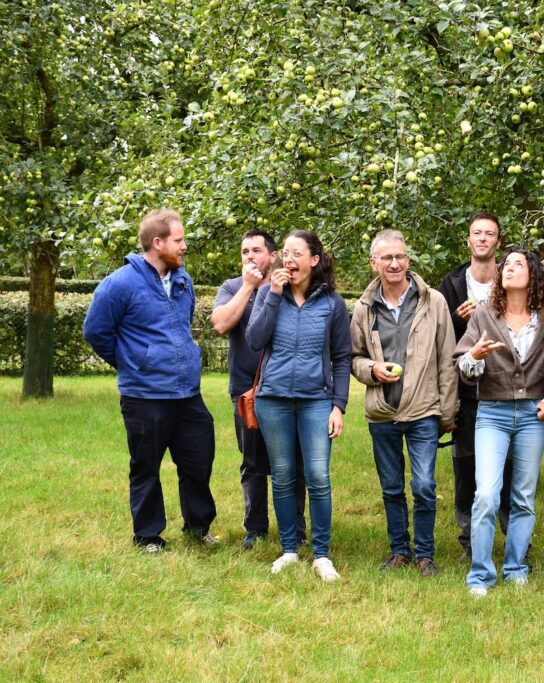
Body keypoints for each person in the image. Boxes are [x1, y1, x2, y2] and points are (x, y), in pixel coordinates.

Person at [83, 208, 217, 552]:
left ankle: (198, 527)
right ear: (157, 243)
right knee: (146, 467)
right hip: (145, 396)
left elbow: (181, 325)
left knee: (198, 461)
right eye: (179, 239)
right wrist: (134, 362)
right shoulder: (120, 283)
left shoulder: (183, 280)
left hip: (188, 393)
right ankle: (148, 535)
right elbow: (96, 331)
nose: (185, 246)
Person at [454, 248, 544, 597]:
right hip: (493, 413)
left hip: (533, 415)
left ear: (533, 275)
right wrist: (474, 356)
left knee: (523, 496)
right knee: (486, 493)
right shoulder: (484, 316)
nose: (509, 268)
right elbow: (462, 364)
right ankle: (480, 575)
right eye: (507, 265)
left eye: (518, 264)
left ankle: (516, 568)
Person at [350, 229, 458, 578]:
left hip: (424, 408)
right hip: (382, 410)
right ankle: (399, 551)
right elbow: (354, 357)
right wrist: (371, 369)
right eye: (386, 258)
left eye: (400, 256)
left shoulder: (434, 301)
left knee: (424, 485)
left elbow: (447, 358)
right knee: (392, 485)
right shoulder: (364, 308)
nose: (394, 263)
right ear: (374, 264)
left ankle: (425, 554)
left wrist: (448, 410)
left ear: (408, 260)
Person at [246, 230, 351, 581]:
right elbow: (254, 339)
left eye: (295, 253)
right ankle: (290, 549)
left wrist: (339, 405)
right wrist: (274, 295)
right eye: (284, 254)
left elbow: (341, 357)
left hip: (316, 402)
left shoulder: (333, 304)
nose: (287, 259)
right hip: (272, 399)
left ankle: (321, 554)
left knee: (319, 477)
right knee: (284, 477)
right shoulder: (267, 293)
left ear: (313, 260)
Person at [211, 229, 307, 550]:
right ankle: (256, 529)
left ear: (272, 255)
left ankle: (295, 528)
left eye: (255, 250)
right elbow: (221, 323)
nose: (249, 256)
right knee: (252, 462)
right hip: (246, 392)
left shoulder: (289, 287)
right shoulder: (232, 288)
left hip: (286, 390)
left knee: (293, 462)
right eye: (244, 252)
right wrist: (249, 287)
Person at [438, 212, 515, 558]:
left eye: (489, 234)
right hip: (466, 391)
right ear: (468, 240)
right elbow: (441, 338)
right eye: (476, 233)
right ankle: (469, 536)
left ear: (498, 241)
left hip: (505, 387)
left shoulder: (514, 277)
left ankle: (513, 535)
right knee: (465, 464)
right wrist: (460, 321)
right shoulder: (452, 284)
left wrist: (488, 315)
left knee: (511, 465)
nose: (482, 239)